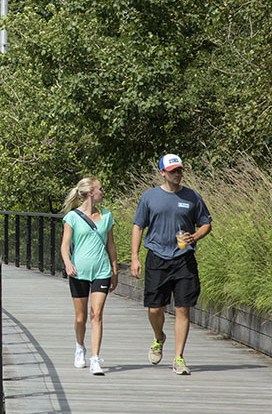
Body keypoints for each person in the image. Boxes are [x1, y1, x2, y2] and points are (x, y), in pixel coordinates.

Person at [130, 154, 212, 376]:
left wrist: (195, 236)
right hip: (157, 257)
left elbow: (206, 223)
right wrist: (135, 257)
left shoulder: (192, 197)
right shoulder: (149, 197)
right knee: (155, 308)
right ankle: (159, 337)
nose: (177, 174)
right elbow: (138, 227)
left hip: (184, 259)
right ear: (162, 173)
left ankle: (178, 358)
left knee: (182, 308)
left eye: (180, 170)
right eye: (173, 170)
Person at [59, 177, 117, 376]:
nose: (103, 192)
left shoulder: (107, 216)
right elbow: (65, 245)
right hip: (79, 272)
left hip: (101, 271)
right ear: (91, 192)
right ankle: (79, 347)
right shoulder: (72, 217)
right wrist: (68, 263)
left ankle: (95, 359)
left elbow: (111, 245)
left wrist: (114, 270)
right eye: (100, 189)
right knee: (81, 316)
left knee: (96, 314)